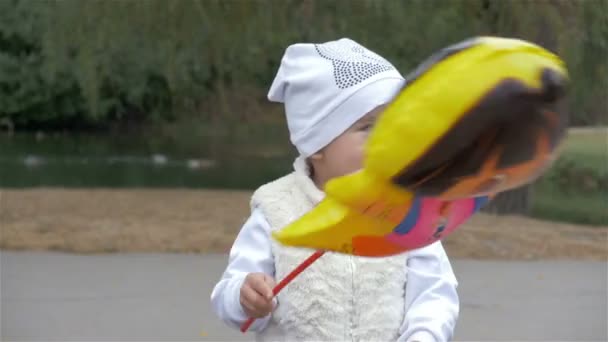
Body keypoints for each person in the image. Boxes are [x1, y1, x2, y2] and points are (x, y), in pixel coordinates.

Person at [210, 37, 459, 342]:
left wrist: (424, 335)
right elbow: (229, 295)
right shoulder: (276, 210)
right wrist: (243, 295)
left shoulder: (407, 211)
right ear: (316, 142)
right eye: (367, 127)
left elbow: (434, 293)